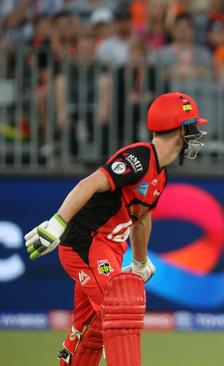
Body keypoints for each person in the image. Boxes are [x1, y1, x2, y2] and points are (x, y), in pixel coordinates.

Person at [23, 92, 208, 366]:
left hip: (110, 250)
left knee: (90, 327)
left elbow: (142, 219)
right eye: (193, 126)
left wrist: (140, 261)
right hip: (85, 244)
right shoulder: (139, 158)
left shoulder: (161, 175)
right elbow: (90, 183)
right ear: (181, 129)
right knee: (120, 308)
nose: (196, 135)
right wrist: (57, 223)